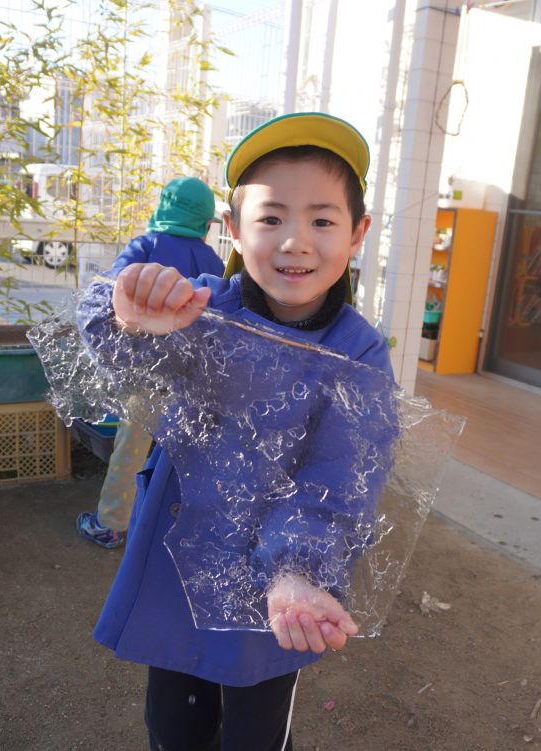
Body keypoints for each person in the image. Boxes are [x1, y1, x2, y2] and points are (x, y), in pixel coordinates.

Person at [78, 112, 393, 750]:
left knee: (253, 732)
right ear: (233, 229)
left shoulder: (358, 353)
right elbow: (116, 355)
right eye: (271, 218)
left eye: (322, 220)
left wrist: (298, 569)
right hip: (177, 557)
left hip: (271, 590)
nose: (295, 243)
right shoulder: (201, 309)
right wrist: (131, 316)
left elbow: (338, 479)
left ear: (357, 233)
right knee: (171, 724)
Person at [76, 176, 224, 548]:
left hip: (147, 374)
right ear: (206, 224)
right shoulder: (213, 260)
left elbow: (110, 294)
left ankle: (111, 523)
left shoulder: (145, 245)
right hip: (193, 379)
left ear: (162, 210)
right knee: (187, 456)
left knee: (131, 448)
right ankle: (179, 532)